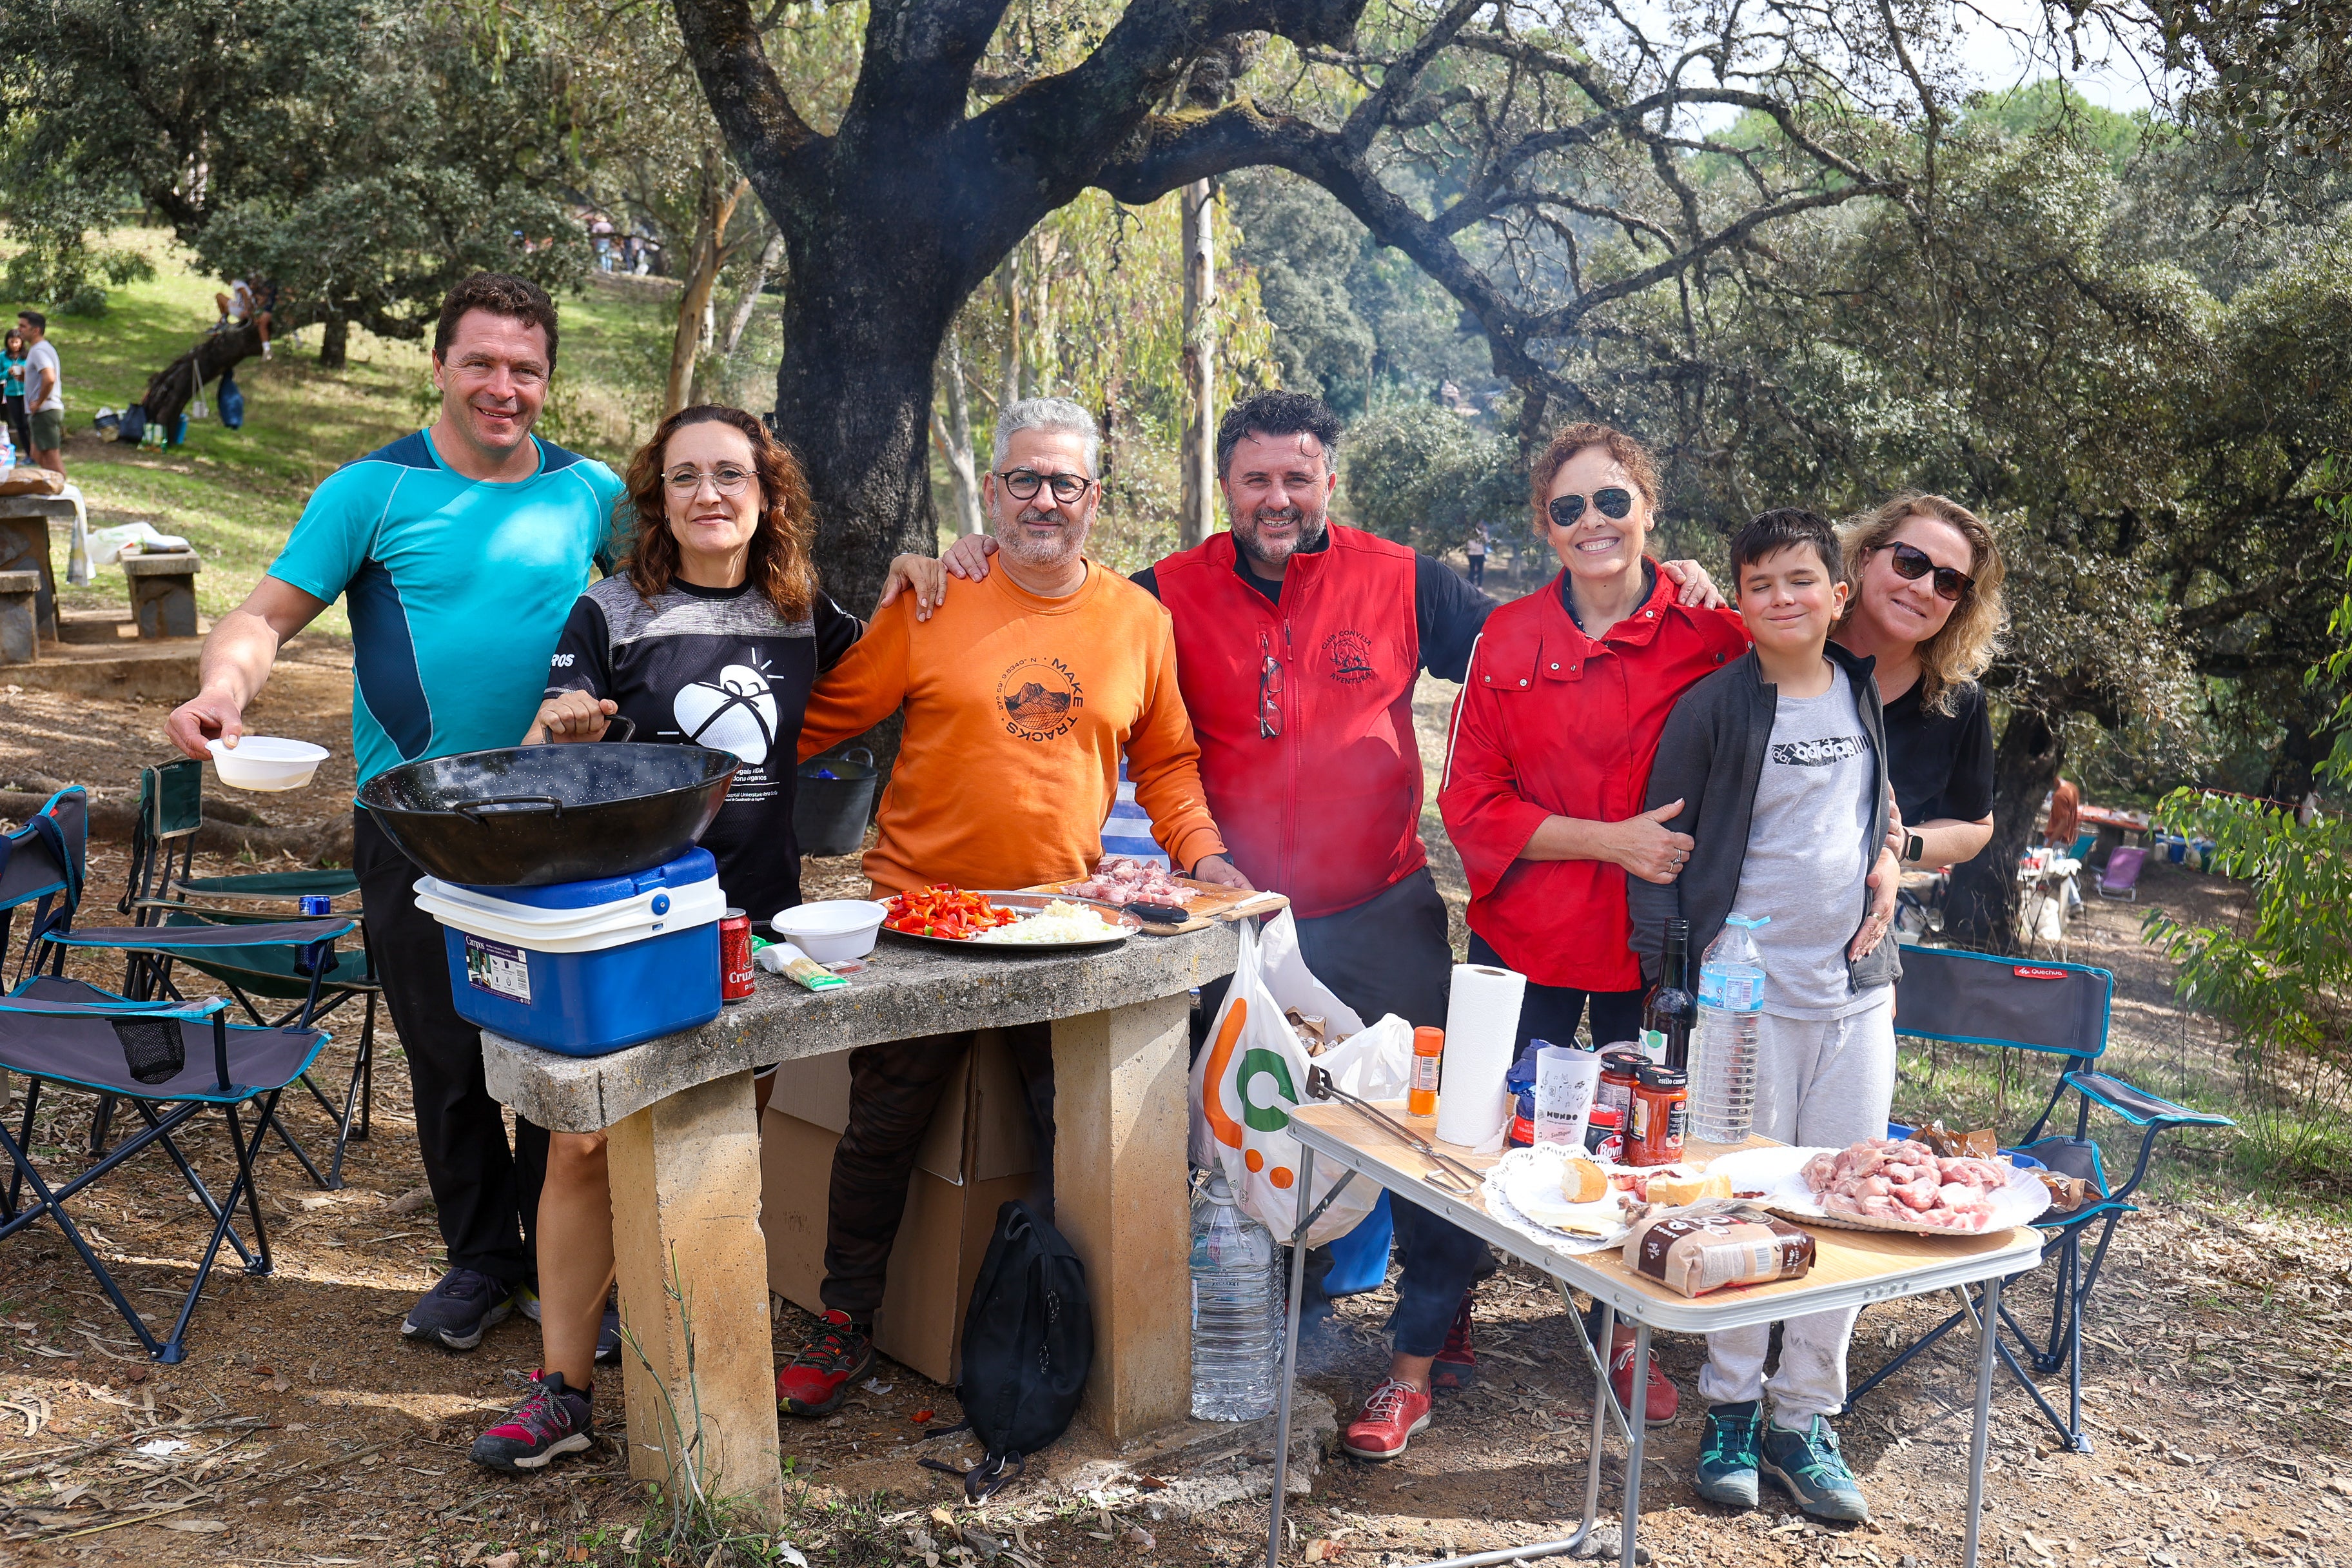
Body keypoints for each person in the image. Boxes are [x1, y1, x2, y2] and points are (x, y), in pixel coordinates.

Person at [165, 273, 943, 1360]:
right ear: (439, 365)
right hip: (424, 824)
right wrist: (223, 690)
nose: (503, 387)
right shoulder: (370, 491)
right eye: (481, 363)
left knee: (563, 1049)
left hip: (574, 832)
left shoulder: (591, 493)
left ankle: (565, 1270)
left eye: (525, 369)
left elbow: (707, 553)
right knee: (447, 1051)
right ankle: (481, 1260)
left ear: (547, 380)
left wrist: (917, 576)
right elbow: (262, 619)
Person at [937, 393, 1726, 1459]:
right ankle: (1235, 1311)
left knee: (1431, 1121)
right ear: (1227, 488)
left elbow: (1550, 627)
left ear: (1328, 483)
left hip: (1380, 904)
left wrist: (1669, 581)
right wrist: (971, 563)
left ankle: (1438, 1315)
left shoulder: (1402, 579)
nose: (1278, 498)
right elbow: (1059, 619)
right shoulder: (1166, 590)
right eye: (1256, 479)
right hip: (1231, 912)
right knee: (1226, 1115)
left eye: (1297, 478)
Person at [772, 396, 1250, 1418]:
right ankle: (845, 1324)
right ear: (992, 491)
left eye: (1064, 482)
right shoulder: (935, 600)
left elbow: (1168, 763)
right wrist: (708, 782)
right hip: (921, 918)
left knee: (1075, 1131)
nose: (1044, 500)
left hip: (1061, 925)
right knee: (882, 1127)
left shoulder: (1138, 622)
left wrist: (1209, 862)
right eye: (1024, 479)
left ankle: (1063, 1329)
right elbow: (820, 719)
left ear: (1093, 500)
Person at [469, 404, 883, 1472]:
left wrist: (932, 570)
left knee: (714, 1135)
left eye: (730, 474)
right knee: (584, 1141)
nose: (709, 494)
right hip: (625, 922)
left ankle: (686, 1369)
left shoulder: (802, 613)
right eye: (685, 475)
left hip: (755, 923)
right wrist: (561, 729)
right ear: (657, 497)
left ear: (767, 493)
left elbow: (897, 661)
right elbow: (542, 754)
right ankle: (562, 1391)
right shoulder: (609, 609)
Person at [1438, 421, 1752, 1427]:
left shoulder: (1713, 634)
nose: (1593, 523)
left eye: (1613, 500)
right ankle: (1444, 1313)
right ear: (1546, 525)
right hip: (1524, 934)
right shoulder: (1507, 637)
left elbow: (1803, 718)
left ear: (1649, 510)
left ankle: (1623, 1331)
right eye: (1568, 507)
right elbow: (1468, 803)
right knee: (1479, 1128)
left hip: (1650, 946)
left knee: (1637, 1145)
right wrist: (1610, 842)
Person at [1627, 507, 1904, 1525]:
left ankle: (1804, 1419)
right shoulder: (1714, 708)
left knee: (1847, 1203)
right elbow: (1661, 851)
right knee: (1743, 1202)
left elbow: (1878, 810)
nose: (1783, 598)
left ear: (1838, 595)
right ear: (1738, 603)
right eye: (1761, 584)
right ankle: (1733, 1411)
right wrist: (1672, 975)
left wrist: (1892, 857)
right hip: (1743, 999)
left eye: (1801, 580)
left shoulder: (1862, 689)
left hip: (1855, 996)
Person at [1828, 493, 2006, 872]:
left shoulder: (1957, 701)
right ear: (1864, 558)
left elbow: (1976, 825)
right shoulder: (1791, 639)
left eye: (1949, 582)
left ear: (1959, 606)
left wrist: (1904, 842)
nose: (1924, 589)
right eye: (1910, 562)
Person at [19, 311, 63, 474]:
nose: (19, 329)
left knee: (52, 460)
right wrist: (25, 378)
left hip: (45, 411)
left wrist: (39, 402)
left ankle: (61, 486)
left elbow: (49, 378)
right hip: (42, 412)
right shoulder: (41, 348)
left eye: (23, 326)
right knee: (36, 455)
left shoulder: (39, 350)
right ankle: (51, 484)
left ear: (36, 330)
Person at [215, 277, 273, 357]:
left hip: (242, 309)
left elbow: (245, 293)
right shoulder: (244, 282)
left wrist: (246, 310)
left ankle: (224, 321)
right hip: (246, 307)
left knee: (219, 297)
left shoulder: (236, 282)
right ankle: (223, 320)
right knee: (225, 303)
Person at [2, 328, 29, 456]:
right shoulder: (3, 357)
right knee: (19, 425)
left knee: (28, 423)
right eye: (11, 342)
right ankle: (28, 453)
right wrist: (8, 373)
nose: (14, 345)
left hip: (26, 393)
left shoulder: (28, 356)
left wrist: (24, 372)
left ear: (22, 342)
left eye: (17, 342)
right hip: (11, 394)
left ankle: (36, 453)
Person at [2045, 774, 2081, 851]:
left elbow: (2064, 822)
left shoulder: (2060, 796)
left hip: (2056, 841)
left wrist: (2050, 843)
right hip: (2067, 841)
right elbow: (2075, 813)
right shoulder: (2072, 788)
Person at [1464, 522, 1489, 589]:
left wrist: (1485, 532)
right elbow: (1469, 542)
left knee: (1476, 570)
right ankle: (1477, 586)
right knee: (1475, 570)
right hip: (1475, 553)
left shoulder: (1480, 533)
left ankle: (1477, 586)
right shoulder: (1471, 533)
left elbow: (1486, 541)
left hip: (1477, 554)